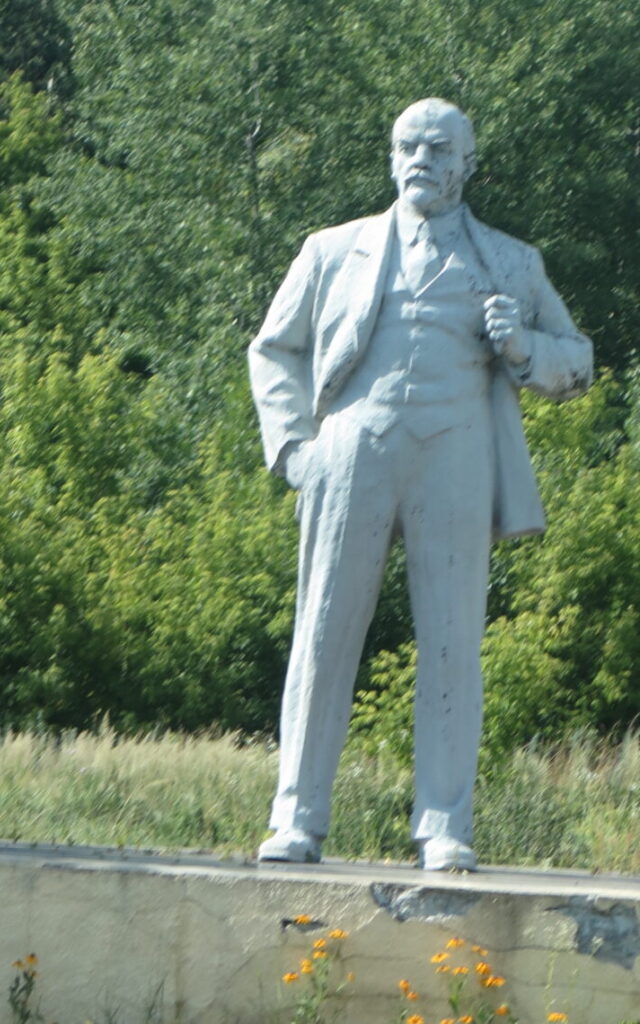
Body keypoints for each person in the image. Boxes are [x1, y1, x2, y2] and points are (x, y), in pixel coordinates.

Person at [248, 98, 592, 870]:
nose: (422, 161)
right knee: (325, 632)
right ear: (391, 154)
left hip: (457, 453)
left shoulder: (510, 261)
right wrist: (297, 451)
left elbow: (579, 361)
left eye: (440, 149)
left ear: (468, 164)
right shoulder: (334, 250)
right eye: (409, 146)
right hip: (352, 447)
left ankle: (443, 826)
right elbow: (272, 350)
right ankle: (296, 818)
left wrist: (523, 346)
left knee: (452, 644)